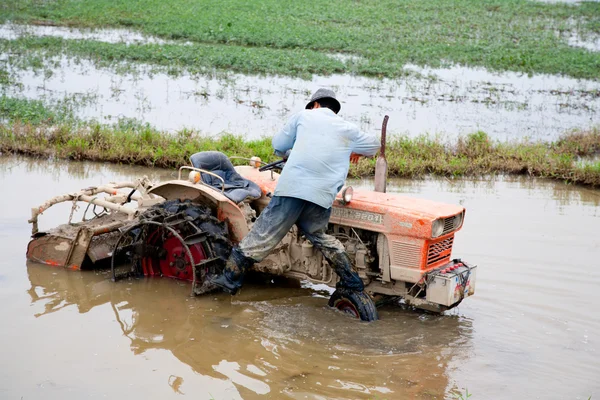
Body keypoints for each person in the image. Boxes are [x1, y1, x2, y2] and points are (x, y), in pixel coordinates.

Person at [209, 88, 381, 295]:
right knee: (320, 236)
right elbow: (373, 146)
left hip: (293, 190)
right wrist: (355, 151)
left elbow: (278, 145)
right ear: (334, 109)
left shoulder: (304, 115)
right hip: (323, 196)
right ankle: (352, 282)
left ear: (315, 105)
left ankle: (228, 280)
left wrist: (288, 153)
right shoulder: (348, 128)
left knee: (262, 235)